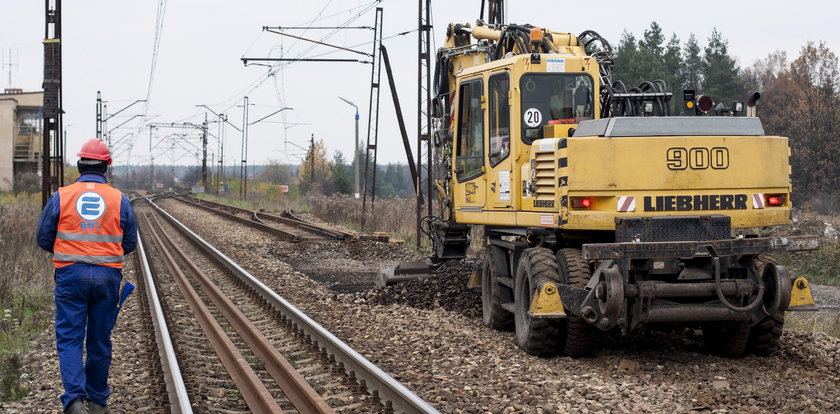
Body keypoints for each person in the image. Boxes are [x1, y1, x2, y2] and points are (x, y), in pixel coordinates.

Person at [37, 138, 137, 414]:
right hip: (108, 276)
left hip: (70, 274)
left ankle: (74, 401)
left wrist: (68, 252)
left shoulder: (62, 196)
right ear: (107, 166)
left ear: (80, 164)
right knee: (99, 338)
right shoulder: (120, 200)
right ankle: (97, 401)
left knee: (70, 337)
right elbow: (129, 242)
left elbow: (43, 237)